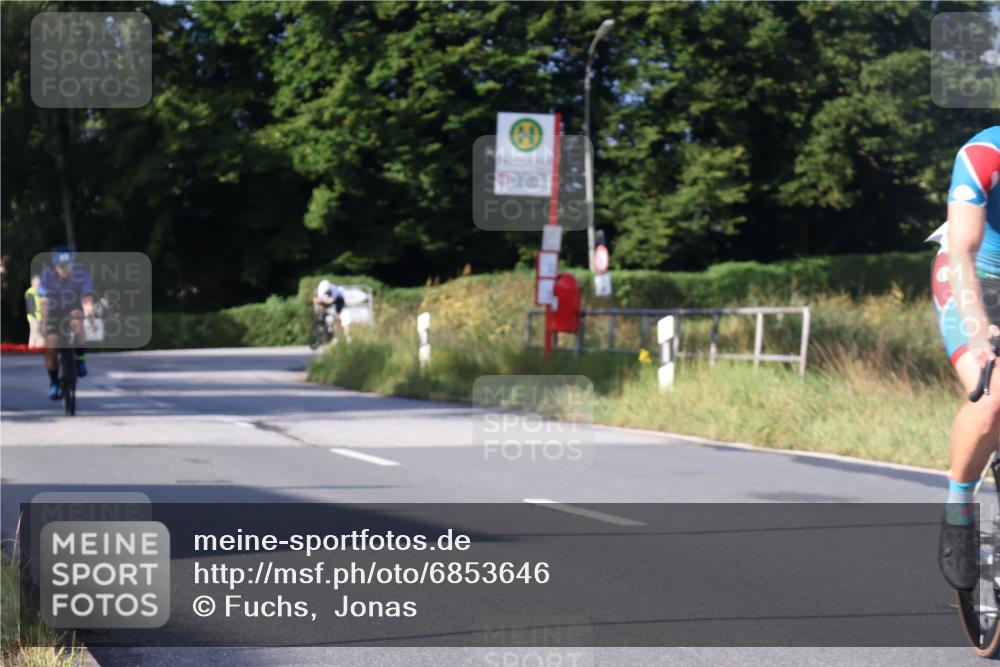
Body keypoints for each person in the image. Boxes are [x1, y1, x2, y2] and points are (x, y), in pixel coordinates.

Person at [932, 126, 1000, 590]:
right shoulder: (984, 152)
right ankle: (959, 512)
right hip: (974, 277)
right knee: (994, 395)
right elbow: (962, 251)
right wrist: (979, 329)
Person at [38, 246, 96, 400]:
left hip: (73, 307)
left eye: (68, 265)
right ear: (55, 265)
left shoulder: (80, 274)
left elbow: (87, 297)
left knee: (77, 320)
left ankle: (80, 359)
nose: (65, 269)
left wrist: (89, 315)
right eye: (61, 266)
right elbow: (44, 301)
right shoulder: (47, 275)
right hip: (54, 310)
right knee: (51, 345)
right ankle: (54, 382)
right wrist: (44, 323)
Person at [25, 274, 44, 348]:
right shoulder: (30, 292)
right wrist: (34, 316)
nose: (39, 283)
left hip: (39, 316)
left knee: (39, 333)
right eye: (37, 281)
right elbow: (30, 306)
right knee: (34, 333)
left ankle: (36, 347)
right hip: (33, 316)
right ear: (33, 282)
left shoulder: (39, 291)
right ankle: (31, 347)